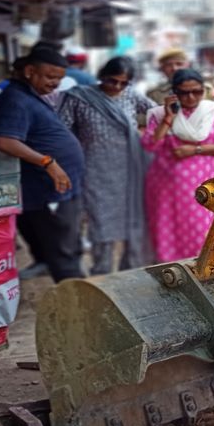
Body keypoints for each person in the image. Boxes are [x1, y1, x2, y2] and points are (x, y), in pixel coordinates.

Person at [0, 48, 85, 282]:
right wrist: (48, 162)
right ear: (30, 71)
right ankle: (75, 293)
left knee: (65, 241)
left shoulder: (25, 94)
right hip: (48, 186)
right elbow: (4, 140)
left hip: (59, 184)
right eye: (50, 76)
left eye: (59, 79)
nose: (55, 83)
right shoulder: (15, 98)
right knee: (63, 247)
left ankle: (63, 274)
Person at [58, 57, 157, 274]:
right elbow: (60, 130)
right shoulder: (78, 97)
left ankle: (131, 271)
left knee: (133, 218)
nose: (117, 87)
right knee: (101, 222)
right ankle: (101, 273)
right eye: (113, 81)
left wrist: (143, 135)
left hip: (131, 169)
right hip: (95, 169)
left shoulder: (131, 95)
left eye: (124, 83)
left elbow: (158, 114)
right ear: (102, 75)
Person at [141, 69, 214, 262]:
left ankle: (203, 270)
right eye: (184, 93)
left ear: (203, 90)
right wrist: (168, 119)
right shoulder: (160, 114)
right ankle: (171, 271)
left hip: (206, 188)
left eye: (196, 92)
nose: (191, 97)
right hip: (168, 191)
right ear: (174, 93)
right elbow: (150, 145)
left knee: (202, 233)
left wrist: (196, 150)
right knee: (168, 235)